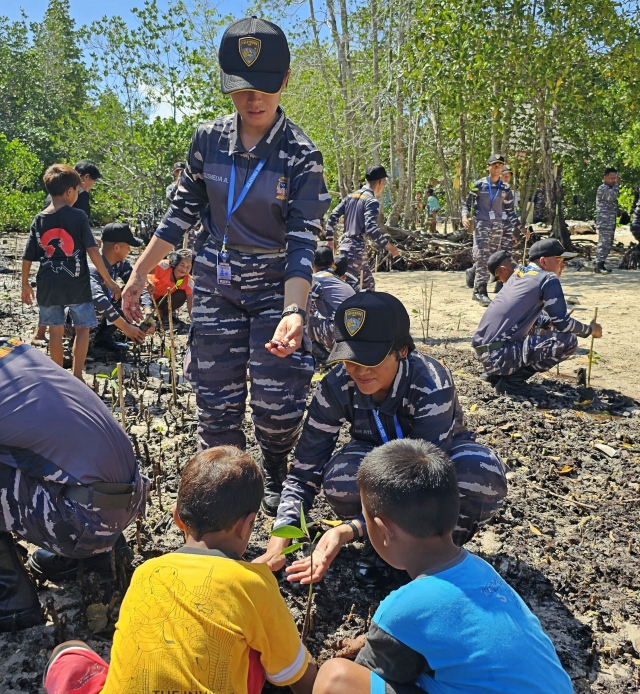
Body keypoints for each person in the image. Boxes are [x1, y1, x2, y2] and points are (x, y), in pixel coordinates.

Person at [120, 17, 330, 512]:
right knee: (215, 409)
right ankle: (226, 499)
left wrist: (295, 312)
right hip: (216, 284)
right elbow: (178, 217)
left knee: (277, 409)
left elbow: (304, 243)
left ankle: (276, 471)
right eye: (239, 89)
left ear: (285, 80)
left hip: (276, 290)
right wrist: (135, 274)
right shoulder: (207, 141)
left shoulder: (302, 155)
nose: (252, 99)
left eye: (263, 87)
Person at [255, 291, 507, 585]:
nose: (359, 371)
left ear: (402, 350)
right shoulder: (336, 387)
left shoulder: (431, 384)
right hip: (379, 465)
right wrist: (278, 541)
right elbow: (304, 472)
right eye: (349, 359)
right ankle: (383, 547)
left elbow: (427, 481)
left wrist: (349, 530)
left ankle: (438, 549)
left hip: (434, 467)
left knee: (481, 472)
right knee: (340, 478)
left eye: (370, 360)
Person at [42, 446, 317, 694]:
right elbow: (296, 677)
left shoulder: (146, 573)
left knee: (69, 655)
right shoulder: (255, 585)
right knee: (258, 654)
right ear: (248, 525)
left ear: (177, 517)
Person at [312, 438, 573, 694]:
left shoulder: (403, 607)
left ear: (382, 530)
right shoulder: (483, 571)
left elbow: (367, 675)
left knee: (336, 679)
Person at [0, 337, 148, 632]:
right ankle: (98, 553)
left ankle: (10, 596)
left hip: (86, 521)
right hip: (125, 502)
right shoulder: (13, 349)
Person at [21, 164, 120, 379]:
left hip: (48, 283)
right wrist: (109, 281)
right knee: (83, 329)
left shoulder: (39, 219)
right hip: (76, 282)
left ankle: (59, 379)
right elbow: (93, 250)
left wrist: (25, 284)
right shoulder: (78, 216)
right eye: (77, 190)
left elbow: (28, 255)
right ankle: (76, 376)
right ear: (70, 191)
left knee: (55, 330)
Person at [472, 238, 603, 396]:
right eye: (560, 260)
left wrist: (551, 323)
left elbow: (529, 318)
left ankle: (497, 375)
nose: (564, 265)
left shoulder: (519, 275)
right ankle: (512, 382)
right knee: (568, 341)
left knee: (536, 330)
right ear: (544, 261)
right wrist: (589, 330)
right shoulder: (548, 278)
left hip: (486, 355)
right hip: (499, 357)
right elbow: (563, 323)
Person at [33, 160, 103, 347]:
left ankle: (40, 333)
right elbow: (80, 233)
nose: (91, 187)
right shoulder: (80, 196)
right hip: (72, 266)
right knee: (82, 324)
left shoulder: (52, 196)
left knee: (52, 316)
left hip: (48, 265)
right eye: (93, 182)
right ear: (85, 178)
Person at [462, 154, 526, 307]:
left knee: (492, 258)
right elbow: (466, 204)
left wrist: (520, 227)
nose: (497, 168)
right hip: (482, 225)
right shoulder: (478, 185)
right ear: (488, 167)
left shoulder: (505, 188)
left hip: (498, 227)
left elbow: (510, 212)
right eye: (494, 165)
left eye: (500, 165)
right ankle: (479, 291)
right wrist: (464, 216)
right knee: (483, 257)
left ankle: (472, 272)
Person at [325, 165, 400, 290]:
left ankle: (368, 309)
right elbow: (371, 228)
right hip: (355, 250)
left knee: (368, 286)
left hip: (351, 247)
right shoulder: (371, 201)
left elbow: (333, 215)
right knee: (351, 289)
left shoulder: (350, 196)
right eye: (385, 182)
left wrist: (329, 240)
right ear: (380, 182)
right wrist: (389, 247)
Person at [89, 222, 155, 353]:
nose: (130, 250)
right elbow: (98, 300)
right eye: (128, 246)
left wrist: (148, 313)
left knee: (128, 292)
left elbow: (138, 286)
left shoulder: (121, 264)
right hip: (77, 318)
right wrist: (126, 328)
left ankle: (103, 338)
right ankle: (86, 341)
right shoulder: (92, 268)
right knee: (98, 304)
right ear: (117, 247)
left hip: (102, 315)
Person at [307, 246, 355, 360]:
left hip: (338, 334)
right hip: (355, 334)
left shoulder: (316, 279)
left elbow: (303, 306)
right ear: (332, 262)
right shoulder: (340, 280)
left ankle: (323, 358)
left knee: (298, 320)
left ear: (312, 263)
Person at [147, 249, 194, 325]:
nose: (184, 269)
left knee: (181, 295)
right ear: (175, 263)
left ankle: (164, 315)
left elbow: (190, 305)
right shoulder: (164, 266)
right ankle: (147, 315)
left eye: (188, 267)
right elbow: (143, 271)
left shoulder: (188, 282)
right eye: (182, 265)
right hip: (146, 295)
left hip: (161, 301)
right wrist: (149, 282)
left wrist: (194, 322)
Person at [595, 167, 620, 274]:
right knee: (604, 243)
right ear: (605, 178)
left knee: (608, 243)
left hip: (610, 220)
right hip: (605, 221)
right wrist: (617, 184)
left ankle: (601, 263)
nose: (613, 180)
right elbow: (613, 196)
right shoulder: (603, 188)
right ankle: (598, 265)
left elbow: (610, 205)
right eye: (611, 178)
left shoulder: (609, 188)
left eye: (615, 178)